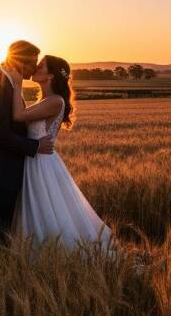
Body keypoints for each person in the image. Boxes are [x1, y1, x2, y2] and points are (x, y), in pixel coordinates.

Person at [8, 55, 113, 250]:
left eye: (40, 67)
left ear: (49, 76)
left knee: (46, 209)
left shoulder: (55, 101)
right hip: (35, 159)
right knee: (38, 210)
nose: (34, 68)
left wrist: (16, 83)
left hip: (41, 163)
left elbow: (18, 115)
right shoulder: (46, 100)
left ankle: (56, 253)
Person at [0, 40, 54, 245]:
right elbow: (0, 134)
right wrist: (35, 146)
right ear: (19, 62)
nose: (35, 67)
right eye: (32, 62)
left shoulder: (6, 84)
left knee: (1, 231)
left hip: (3, 172)